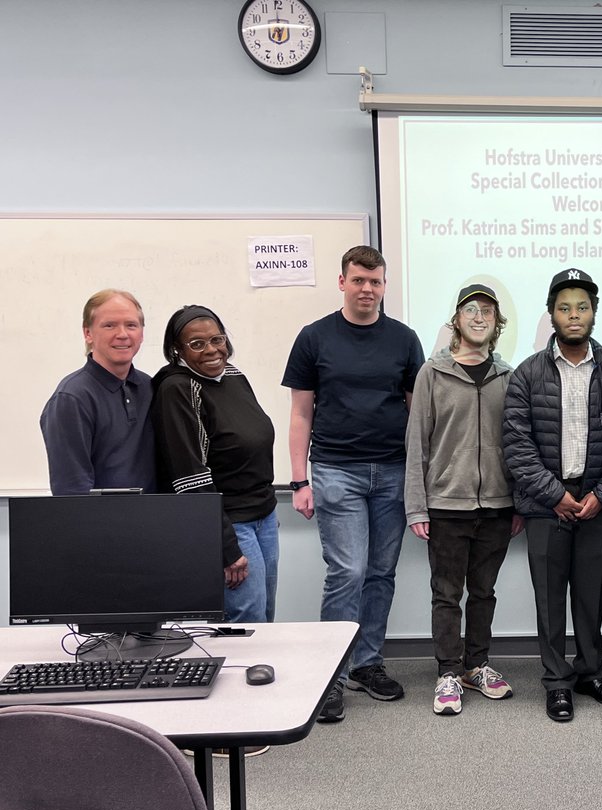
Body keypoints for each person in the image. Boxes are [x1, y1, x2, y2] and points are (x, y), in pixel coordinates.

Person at [282, 246, 425, 723]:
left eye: (376, 281)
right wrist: (298, 478)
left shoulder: (404, 340)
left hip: (392, 471)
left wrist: (419, 480)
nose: (368, 289)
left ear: (385, 285)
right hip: (335, 469)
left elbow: (417, 414)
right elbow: (301, 413)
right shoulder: (314, 337)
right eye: (359, 280)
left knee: (381, 572)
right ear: (342, 282)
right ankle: (332, 674)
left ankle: (367, 662)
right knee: (347, 570)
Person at [503, 267, 602, 724]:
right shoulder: (526, 375)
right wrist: (555, 495)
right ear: (551, 314)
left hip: (598, 503)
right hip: (545, 505)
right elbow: (517, 446)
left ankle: (591, 672)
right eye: (564, 308)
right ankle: (557, 682)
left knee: (591, 595)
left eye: (582, 307)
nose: (573, 316)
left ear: (594, 313)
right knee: (550, 597)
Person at [405, 285, 523, 716]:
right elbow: (416, 442)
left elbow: (517, 444)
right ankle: (448, 672)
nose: (479, 317)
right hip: (446, 505)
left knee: (485, 592)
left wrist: (518, 502)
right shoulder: (432, 374)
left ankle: (477, 665)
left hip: (497, 505)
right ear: (456, 319)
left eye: (487, 311)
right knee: (446, 593)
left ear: (497, 323)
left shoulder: (508, 377)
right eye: (470, 310)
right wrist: (417, 505)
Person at [151, 305, 278, 623]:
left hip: (263, 515)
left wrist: (267, 507)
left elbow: (254, 444)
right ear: (177, 350)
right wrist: (225, 547)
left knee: (264, 615)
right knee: (246, 619)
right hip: (230, 523)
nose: (211, 350)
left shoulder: (234, 377)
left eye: (217, 339)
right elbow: (190, 478)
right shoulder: (177, 389)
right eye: (196, 343)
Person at [40, 289, 156, 495]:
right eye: (109, 325)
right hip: (101, 524)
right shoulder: (71, 398)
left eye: (131, 325)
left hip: (154, 520)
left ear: (141, 333)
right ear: (88, 333)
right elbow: (72, 491)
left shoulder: (149, 387)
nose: (122, 334)